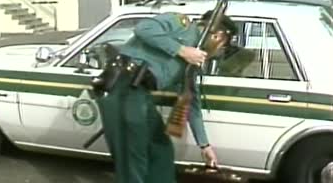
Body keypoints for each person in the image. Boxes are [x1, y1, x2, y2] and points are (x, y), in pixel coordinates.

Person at [96, 10, 237, 183]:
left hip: (141, 95)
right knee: (133, 156)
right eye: (224, 45)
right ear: (217, 35)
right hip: (123, 87)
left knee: (161, 149)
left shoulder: (194, 59)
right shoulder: (181, 24)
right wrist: (181, 50)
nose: (220, 52)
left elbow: (191, 102)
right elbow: (143, 28)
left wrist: (204, 145)